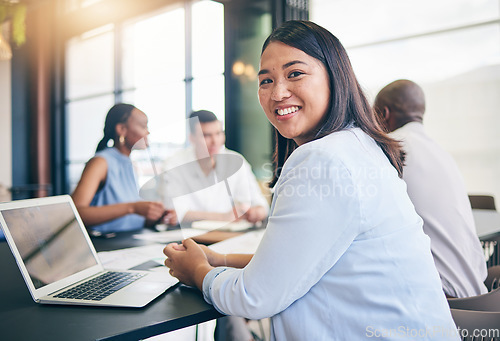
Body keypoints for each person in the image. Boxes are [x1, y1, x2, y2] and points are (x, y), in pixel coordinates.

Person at [163, 20, 459, 340]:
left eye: (295, 73)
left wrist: (199, 272)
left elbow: (255, 296)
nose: (278, 92)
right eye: (266, 80)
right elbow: (310, 259)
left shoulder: (322, 159)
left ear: (334, 76)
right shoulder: (358, 145)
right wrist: (220, 259)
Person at [374, 79, 487, 298]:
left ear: (383, 114)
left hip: (445, 301)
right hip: (479, 294)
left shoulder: (395, 148)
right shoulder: (440, 152)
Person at [72, 103, 176, 235]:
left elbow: (129, 219)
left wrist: (157, 216)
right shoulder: (100, 163)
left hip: (130, 240)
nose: (148, 132)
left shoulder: (131, 165)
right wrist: (132, 208)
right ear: (121, 129)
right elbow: (76, 213)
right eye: (143, 126)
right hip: (105, 243)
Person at [160, 110, 269, 225]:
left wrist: (256, 212)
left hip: (228, 234)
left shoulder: (236, 162)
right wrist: (223, 217)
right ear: (192, 138)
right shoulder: (173, 165)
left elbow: (261, 205)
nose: (215, 141)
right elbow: (175, 213)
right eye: (206, 135)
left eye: (218, 133)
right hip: (188, 236)